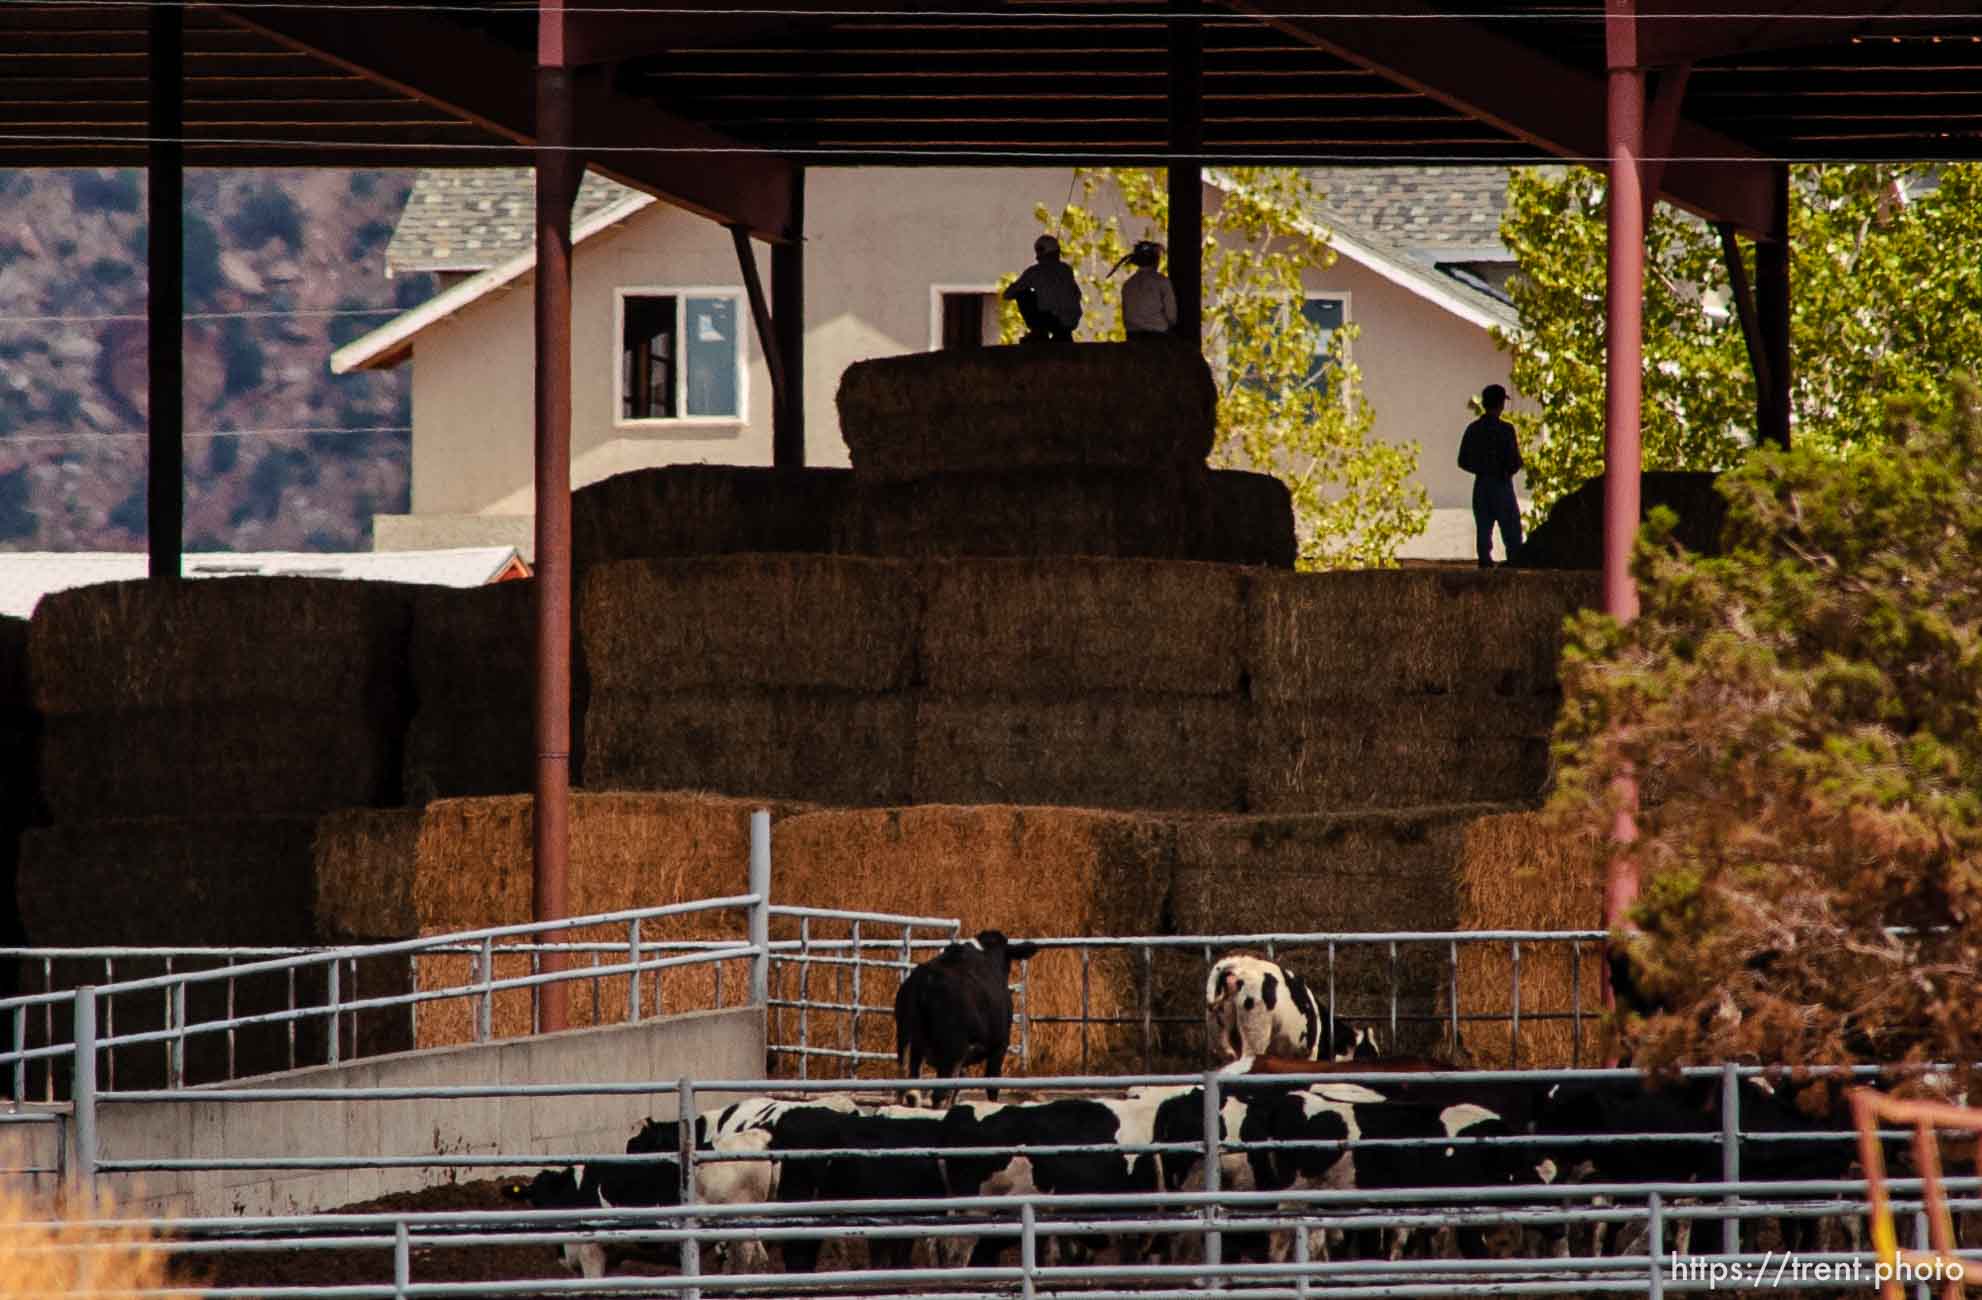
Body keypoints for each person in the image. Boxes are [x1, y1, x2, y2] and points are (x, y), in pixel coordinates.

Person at [1457, 383, 1524, 569]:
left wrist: (1483, 469)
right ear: (1501, 404)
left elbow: (1463, 461)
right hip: (1502, 484)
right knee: (1511, 531)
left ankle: (1485, 563)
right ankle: (1514, 565)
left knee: (1483, 528)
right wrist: (1505, 470)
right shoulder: (1506, 430)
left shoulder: (1474, 429)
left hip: (1482, 485)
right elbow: (1515, 461)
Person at [1004, 233, 1082, 342]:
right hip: (1070, 323)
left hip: (1050, 320)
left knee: (1023, 294)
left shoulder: (1035, 272)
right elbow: (1076, 294)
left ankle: (1039, 332)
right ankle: (1062, 335)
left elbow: (1008, 294)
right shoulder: (1067, 270)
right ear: (1058, 252)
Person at [1113, 239, 1177, 337]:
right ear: (1156, 260)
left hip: (1133, 336)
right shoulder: (1162, 282)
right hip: (1159, 336)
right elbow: (1171, 316)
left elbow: (1126, 316)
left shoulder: (1128, 284)